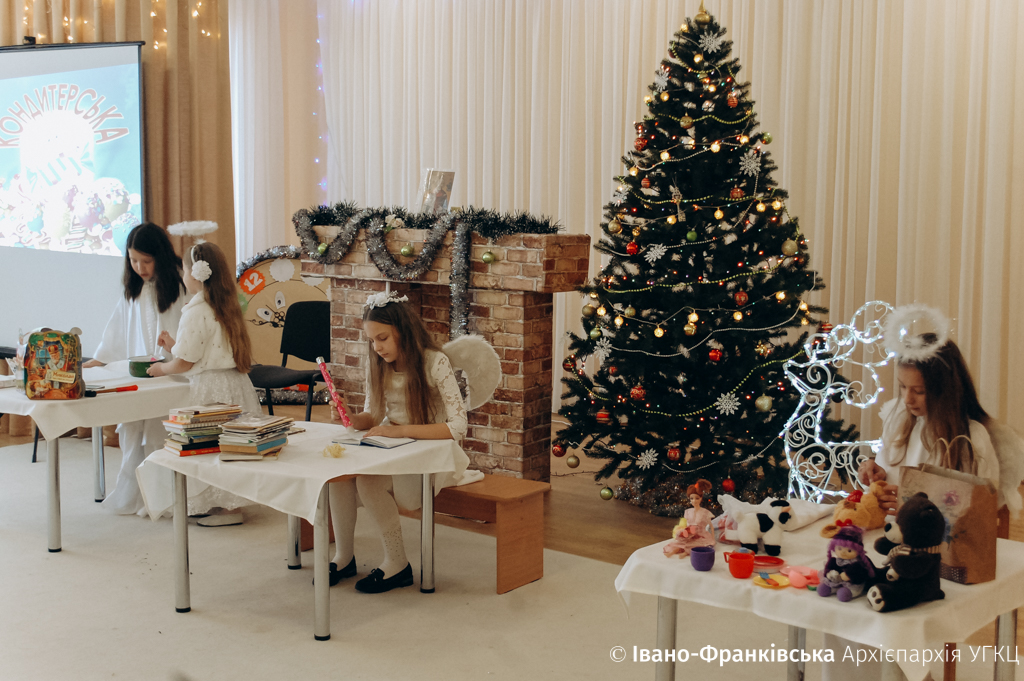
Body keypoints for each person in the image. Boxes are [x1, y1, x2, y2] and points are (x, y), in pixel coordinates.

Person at [824, 333, 1000, 681]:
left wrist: (906, 505)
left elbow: (976, 508)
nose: (907, 399)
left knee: (876, 605)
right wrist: (873, 474)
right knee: (843, 596)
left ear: (945, 389)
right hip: (888, 541)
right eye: (903, 387)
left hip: (936, 557)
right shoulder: (898, 419)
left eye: (918, 390)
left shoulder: (971, 439)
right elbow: (887, 475)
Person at [327, 291, 469, 593]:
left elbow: (458, 426)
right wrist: (350, 417)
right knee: (339, 476)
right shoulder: (378, 364)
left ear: (403, 331)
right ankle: (343, 557)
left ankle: (397, 563)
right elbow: (373, 415)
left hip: (430, 453)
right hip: (394, 449)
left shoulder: (435, 362)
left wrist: (400, 431)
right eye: (371, 341)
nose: (377, 347)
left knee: (367, 482)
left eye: (382, 338)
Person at [147, 240, 262, 524]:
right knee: (231, 445)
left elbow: (185, 362)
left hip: (211, 389)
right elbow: (209, 349)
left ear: (196, 274)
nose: (182, 276)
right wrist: (173, 345)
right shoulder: (225, 305)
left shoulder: (196, 311)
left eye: (184, 270)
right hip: (236, 385)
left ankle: (224, 508)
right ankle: (231, 502)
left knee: (208, 446)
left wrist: (161, 368)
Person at [84, 223, 187, 515]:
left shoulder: (180, 284)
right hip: (140, 374)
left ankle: (163, 499)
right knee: (131, 431)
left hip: (171, 374)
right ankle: (135, 494)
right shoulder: (133, 289)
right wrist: (99, 359)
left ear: (160, 258)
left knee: (158, 433)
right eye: (133, 260)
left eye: (146, 261)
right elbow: (117, 330)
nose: (139, 267)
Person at [663, 479, 715, 558]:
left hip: (701, 536)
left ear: (701, 498)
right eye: (691, 498)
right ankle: (673, 551)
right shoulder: (688, 512)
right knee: (681, 542)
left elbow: (711, 526)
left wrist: (713, 538)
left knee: (696, 545)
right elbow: (687, 525)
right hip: (690, 534)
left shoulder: (705, 513)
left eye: (697, 498)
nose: (694, 501)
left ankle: (686, 553)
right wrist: (685, 532)